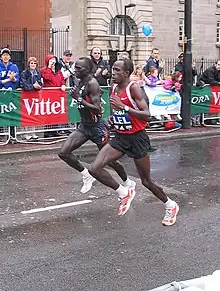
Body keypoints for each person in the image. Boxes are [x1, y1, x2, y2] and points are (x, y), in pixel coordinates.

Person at [89, 59, 179, 225]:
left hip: (137, 138)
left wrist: (124, 108)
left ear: (126, 73)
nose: (112, 73)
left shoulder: (134, 88)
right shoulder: (114, 88)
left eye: (117, 70)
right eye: (112, 69)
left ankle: (170, 205)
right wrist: (113, 118)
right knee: (94, 168)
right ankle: (124, 192)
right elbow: (120, 113)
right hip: (121, 137)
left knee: (146, 181)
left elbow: (146, 115)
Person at [58, 57, 135, 194]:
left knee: (111, 161)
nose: (75, 70)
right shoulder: (80, 80)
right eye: (75, 67)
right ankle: (86, 175)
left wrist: (79, 98)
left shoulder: (92, 83)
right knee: (63, 153)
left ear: (87, 70)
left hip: (97, 128)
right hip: (84, 126)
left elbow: (97, 109)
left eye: (78, 68)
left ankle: (127, 182)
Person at [41, 54, 66, 138]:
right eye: (51, 60)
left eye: (54, 60)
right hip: (48, 95)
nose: (53, 62)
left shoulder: (58, 71)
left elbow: (62, 79)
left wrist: (63, 85)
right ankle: (48, 131)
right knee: (49, 113)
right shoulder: (44, 70)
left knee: (57, 112)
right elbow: (47, 77)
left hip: (58, 95)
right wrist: (49, 67)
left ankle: (55, 130)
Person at [20, 56, 43, 140]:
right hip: (26, 97)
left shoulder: (38, 73)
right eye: (31, 63)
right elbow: (23, 85)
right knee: (26, 114)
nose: (33, 65)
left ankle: (33, 132)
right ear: (28, 64)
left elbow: (41, 84)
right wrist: (33, 86)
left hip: (35, 96)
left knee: (33, 114)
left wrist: (39, 87)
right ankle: (25, 133)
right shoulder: (24, 73)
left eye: (34, 63)